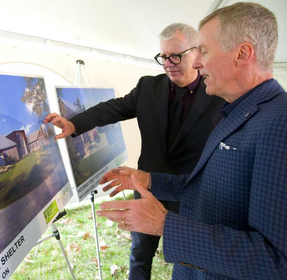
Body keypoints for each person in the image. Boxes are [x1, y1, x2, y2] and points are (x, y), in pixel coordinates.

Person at [97, 2, 287, 280]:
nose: (197, 62)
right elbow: (206, 187)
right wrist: (149, 179)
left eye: (205, 51)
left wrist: (165, 225)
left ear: (243, 53)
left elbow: (275, 261)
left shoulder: (279, 122)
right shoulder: (237, 109)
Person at [44, 23, 225, 279]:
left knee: (190, 261)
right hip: (146, 187)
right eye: (163, 57)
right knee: (140, 254)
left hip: (191, 193)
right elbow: (113, 109)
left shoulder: (218, 92)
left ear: (196, 52)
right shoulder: (149, 87)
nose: (168, 63)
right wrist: (75, 123)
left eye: (176, 55)